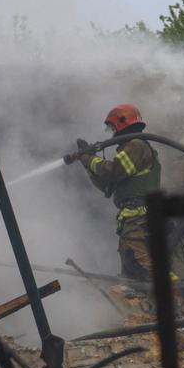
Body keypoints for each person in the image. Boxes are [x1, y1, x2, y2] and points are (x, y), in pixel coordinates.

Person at [75, 104, 161, 281]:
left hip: (139, 215)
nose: (112, 132)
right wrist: (86, 162)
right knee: (132, 269)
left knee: (142, 264)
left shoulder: (136, 145)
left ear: (122, 123)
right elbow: (108, 185)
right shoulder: (129, 148)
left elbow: (114, 171)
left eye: (112, 127)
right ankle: (143, 303)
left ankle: (170, 298)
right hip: (133, 216)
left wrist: (89, 158)